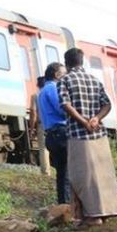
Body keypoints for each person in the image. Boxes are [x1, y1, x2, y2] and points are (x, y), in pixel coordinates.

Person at [59, 47, 117, 226]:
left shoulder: (65, 80)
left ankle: (91, 216)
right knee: (102, 174)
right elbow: (107, 104)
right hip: (98, 133)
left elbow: (65, 104)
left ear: (67, 63)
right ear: (82, 61)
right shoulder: (94, 80)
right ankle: (107, 211)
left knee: (81, 175)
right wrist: (96, 118)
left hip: (79, 134)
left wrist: (84, 121)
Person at [38, 63, 69, 204]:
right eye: (64, 73)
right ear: (57, 74)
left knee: (61, 172)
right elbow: (62, 109)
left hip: (51, 134)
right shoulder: (53, 88)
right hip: (60, 132)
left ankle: (63, 203)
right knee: (68, 170)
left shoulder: (43, 90)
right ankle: (68, 204)